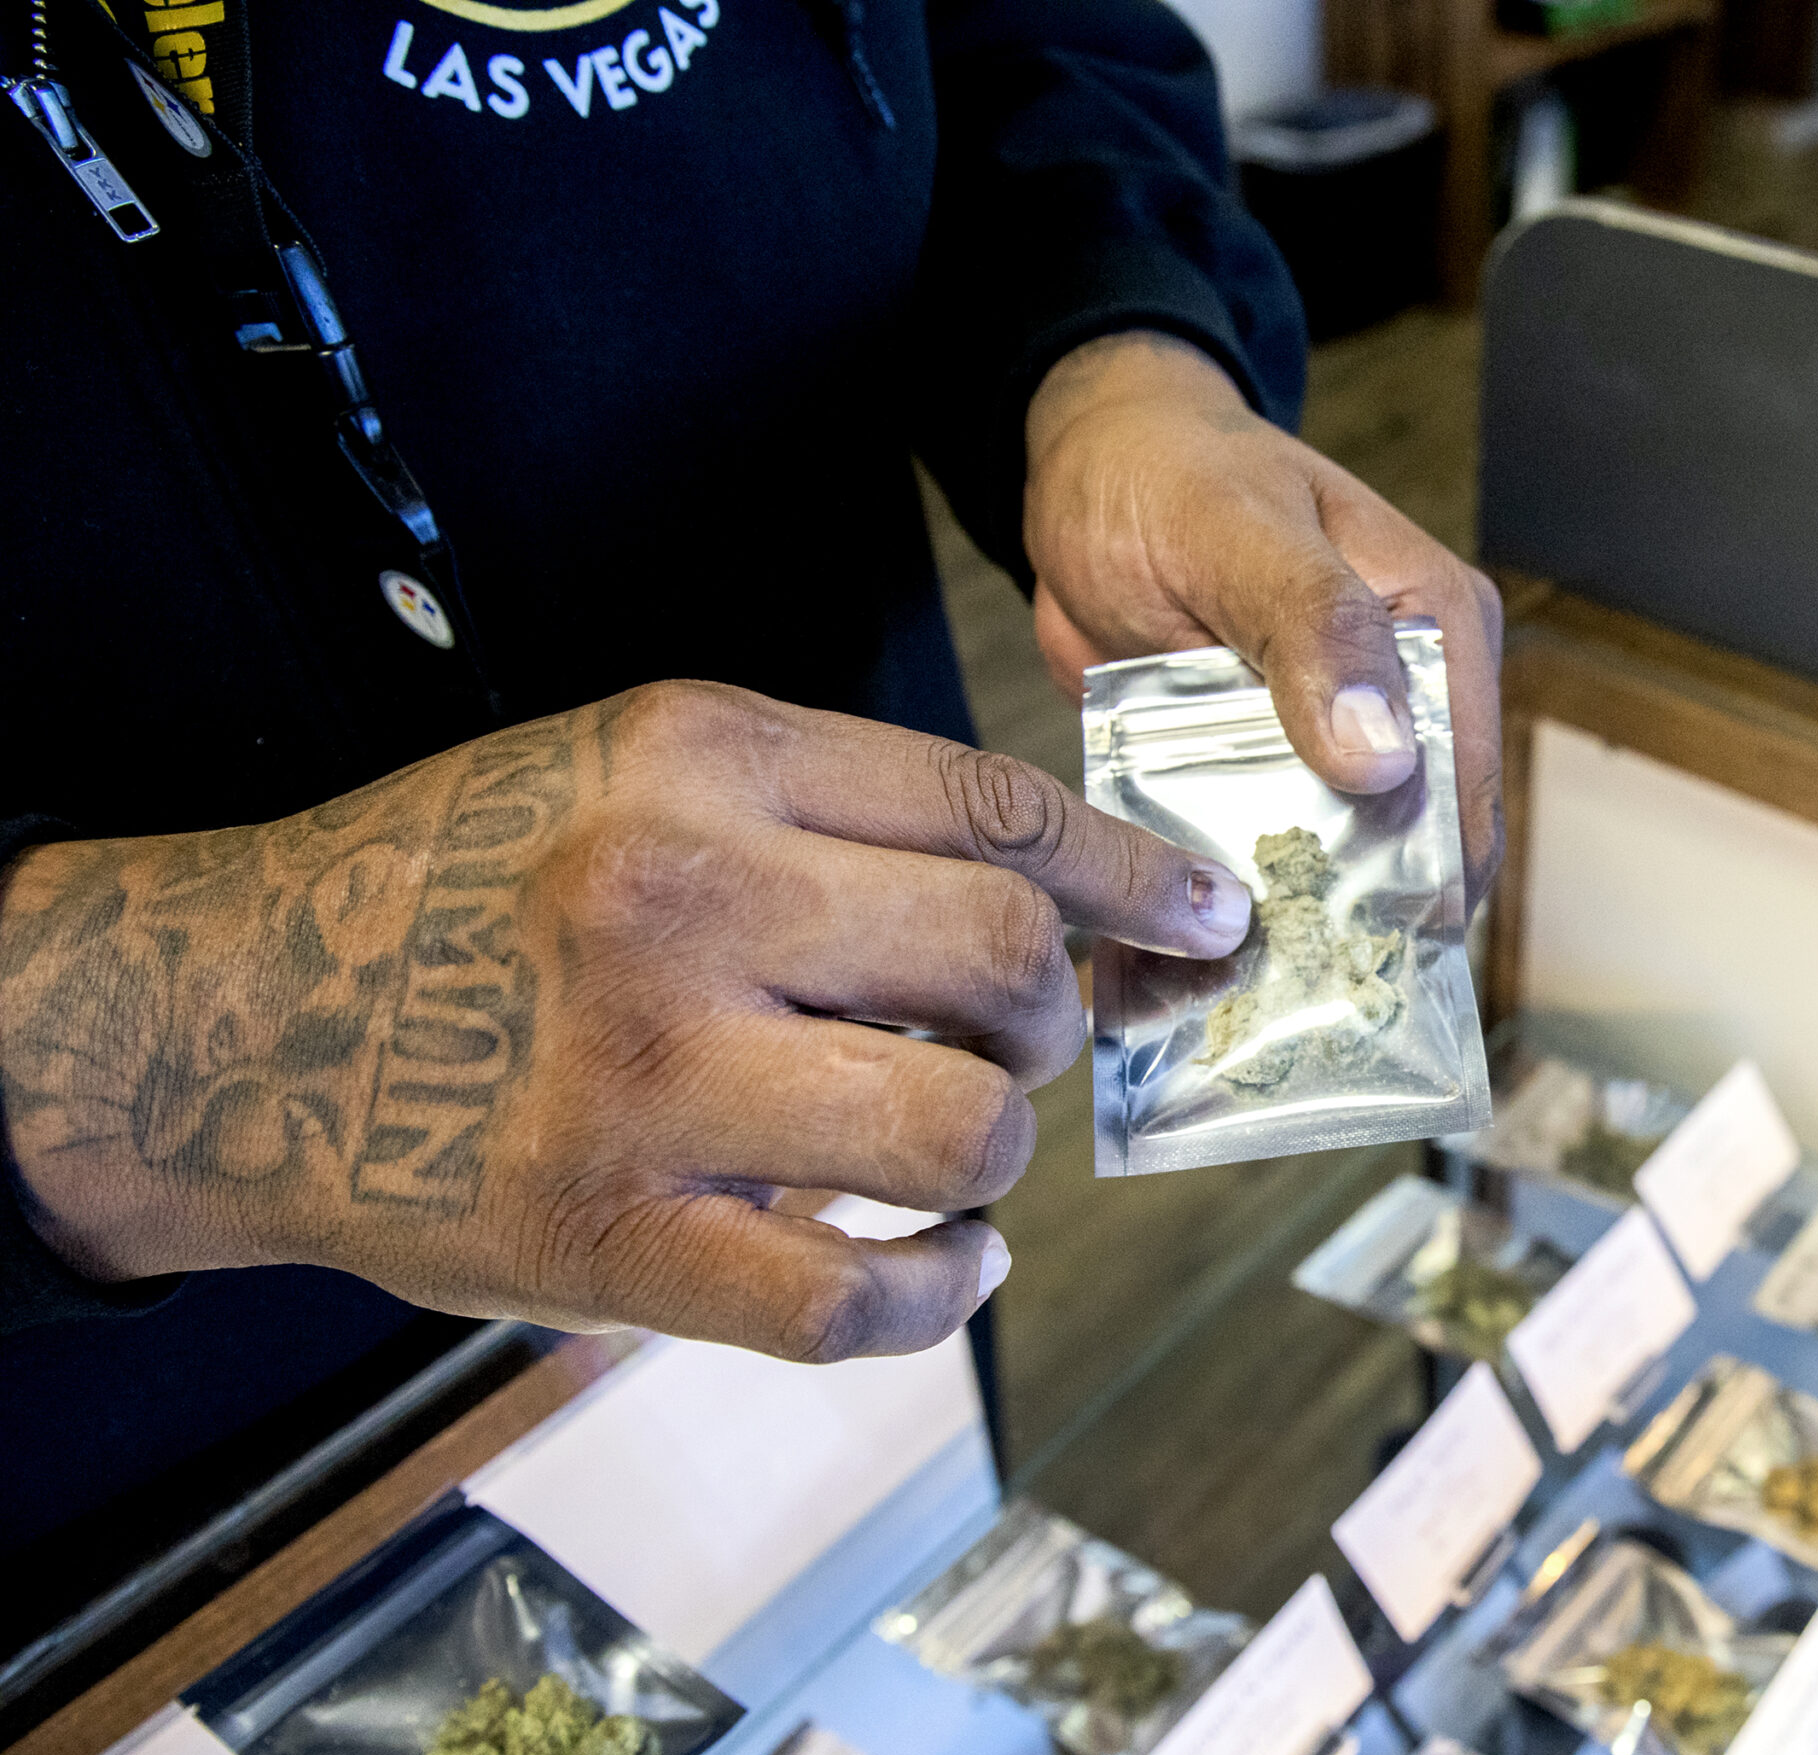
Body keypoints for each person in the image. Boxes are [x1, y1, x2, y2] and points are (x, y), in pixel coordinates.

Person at [1, 0, 1499, 1583]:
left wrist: (1115, 357)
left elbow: (1034, 47)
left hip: (849, 1143)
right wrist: (185, 1016)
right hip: (141, 1492)